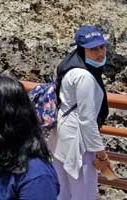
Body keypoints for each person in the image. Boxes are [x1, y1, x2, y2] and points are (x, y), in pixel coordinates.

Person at [51, 26, 113, 200]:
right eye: (93, 49)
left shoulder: (70, 65)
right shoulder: (85, 76)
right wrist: (101, 154)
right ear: (82, 49)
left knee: (63, 193)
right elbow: (87, 120)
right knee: (83, 195)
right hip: (79, 144)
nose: (100, 52)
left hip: (62, 137)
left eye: (102, 46)